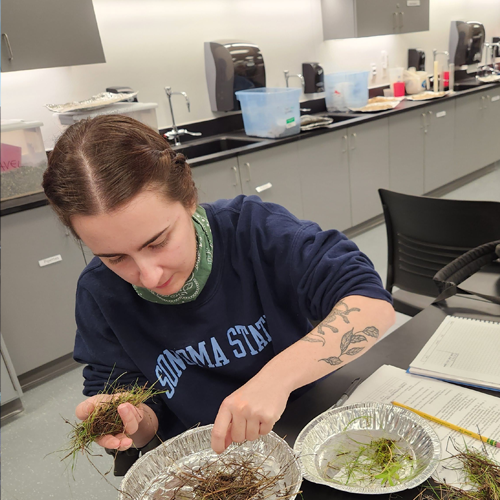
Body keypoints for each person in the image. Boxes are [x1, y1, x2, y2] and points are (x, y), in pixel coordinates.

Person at [42, 114, 395, 462]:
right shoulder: (99, 293)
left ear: (189, 198)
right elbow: (145, 425)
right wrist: (130, 422)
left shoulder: (256, 231)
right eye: (116, 258)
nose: (148, 277)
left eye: (158, 242)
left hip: (311, 426)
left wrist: (276, 379)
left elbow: (371, 305)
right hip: (209, 461)